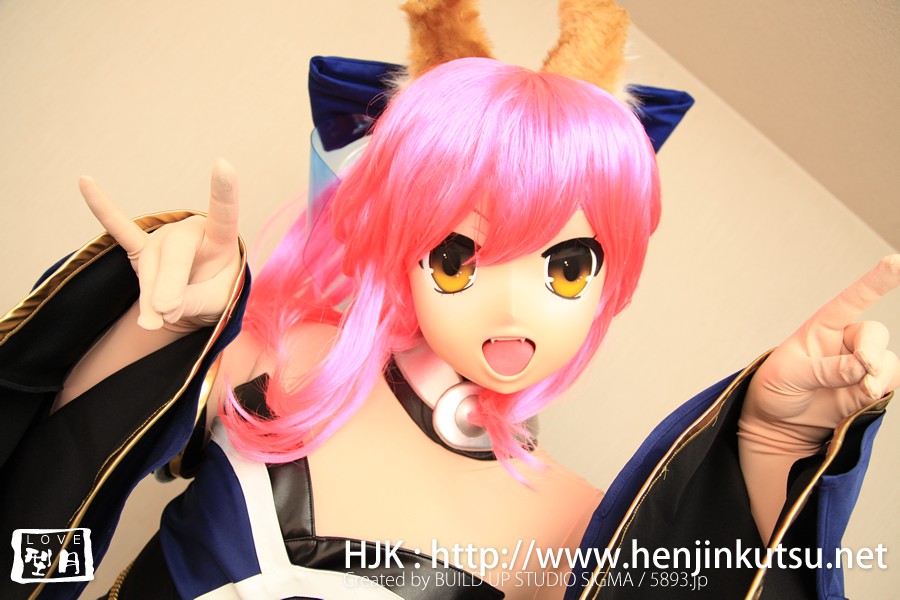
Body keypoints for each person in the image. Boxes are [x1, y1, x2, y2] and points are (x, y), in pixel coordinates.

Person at [1, 1, 896, 599]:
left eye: (567, 267)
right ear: (402, 241)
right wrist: (148, 333)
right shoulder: (285, 364)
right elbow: (49, 508)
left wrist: (772, 445)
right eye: (461, 255)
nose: (515, 307)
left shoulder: (587, 526)